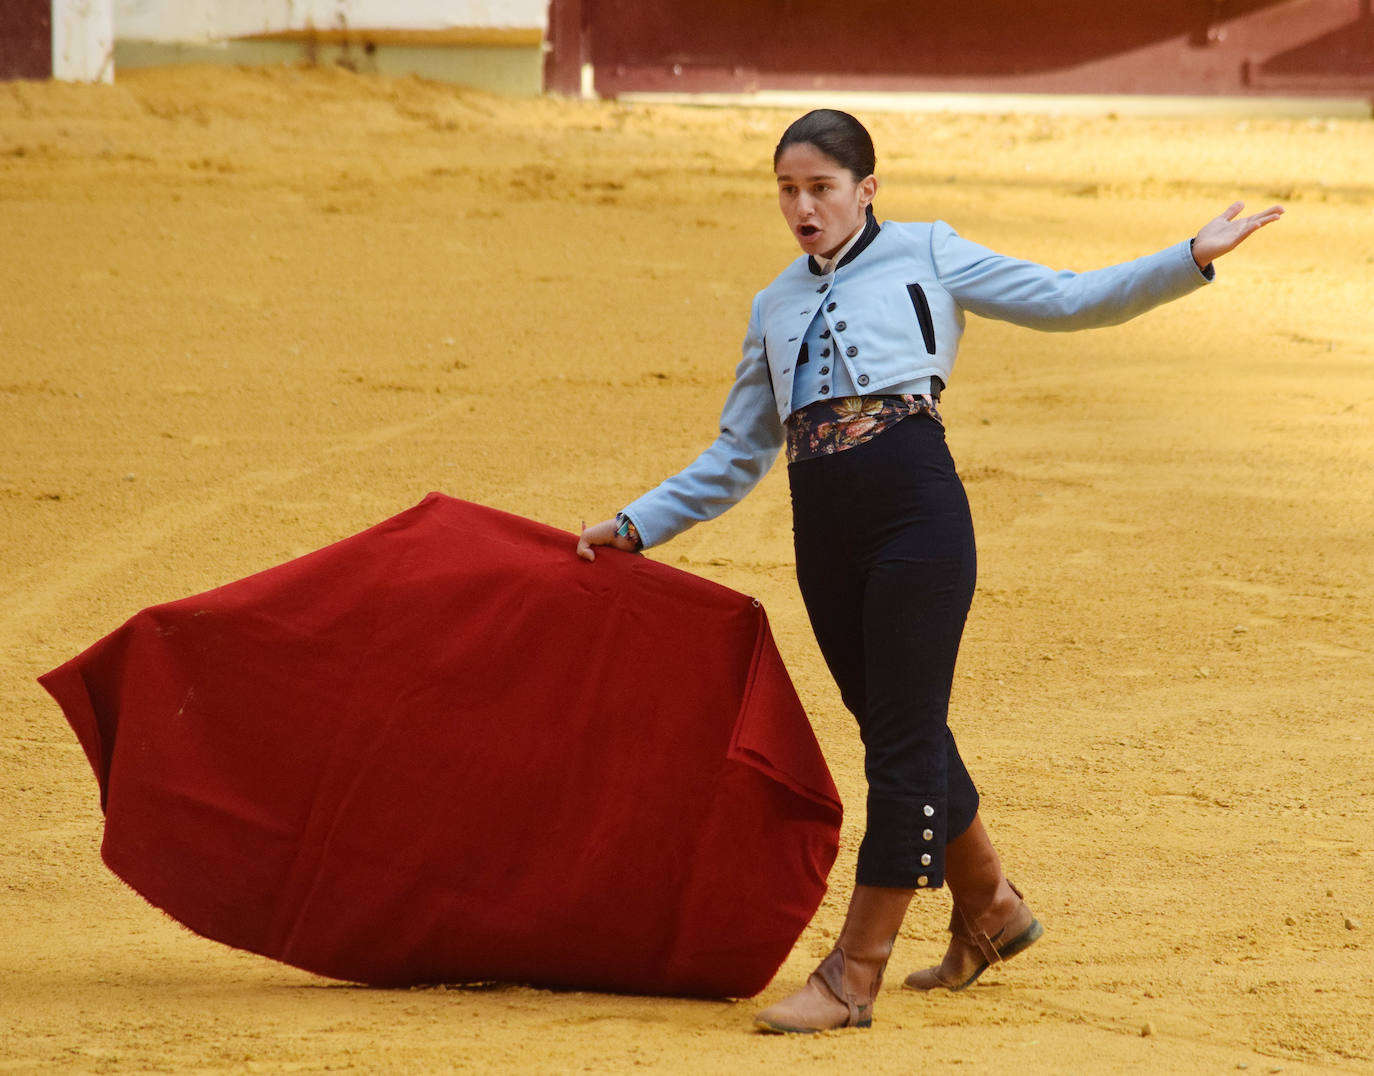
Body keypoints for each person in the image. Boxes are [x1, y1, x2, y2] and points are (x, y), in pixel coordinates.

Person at [576, 109, 1282, 1034]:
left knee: (898, 750)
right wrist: (636, 523)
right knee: (902, 730)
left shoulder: (929, 252)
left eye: (821, 187)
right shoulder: (775, 303)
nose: (802, 207)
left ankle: (851, 974)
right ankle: (992, 907)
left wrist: (1188, 256)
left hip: (918, 518)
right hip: (822, 539)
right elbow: (735, 457)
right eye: (787, 190)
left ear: (867, 189)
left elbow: (1069, 298)